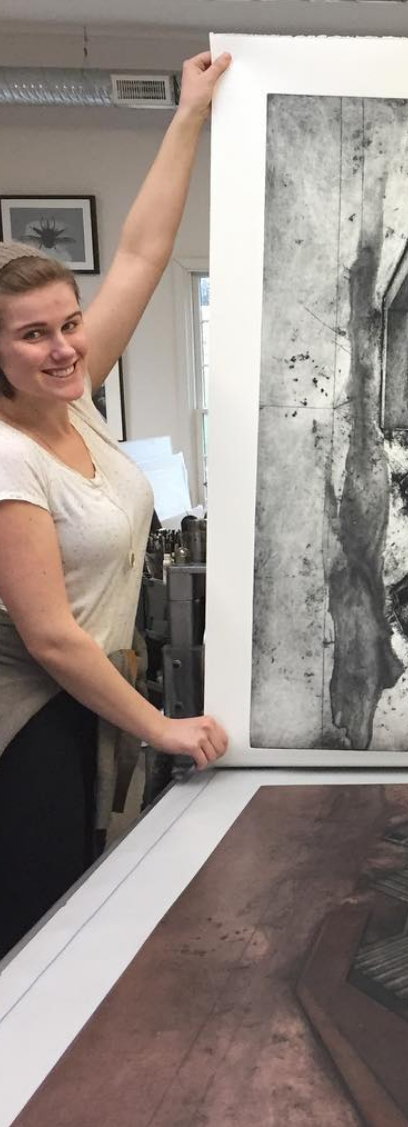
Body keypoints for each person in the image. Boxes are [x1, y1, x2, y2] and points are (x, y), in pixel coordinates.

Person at [0, 51, 232, 959]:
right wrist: (161, 726)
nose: (63, 347)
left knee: (73, 909)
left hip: (86, 694)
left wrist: (190, 115)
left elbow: (140, 252)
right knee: (36, 928)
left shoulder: (77, 402)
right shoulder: (8, 459)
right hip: (28, 713)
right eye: (32, 335)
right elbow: (52, 636)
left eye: (68, 323)